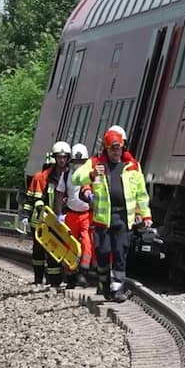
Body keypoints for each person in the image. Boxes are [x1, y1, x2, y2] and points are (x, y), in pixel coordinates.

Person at [73, 127, 151, 302]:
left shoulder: (132, 166)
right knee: (102, 252)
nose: (116, 152)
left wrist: (145, 215)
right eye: (112, 148)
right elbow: (76, 178)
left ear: (123, 147)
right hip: (103, 220)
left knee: (119, 252)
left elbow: (141, 193)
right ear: (106, 149)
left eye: (119, 148)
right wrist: (91, 175)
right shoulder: (96, 164)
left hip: (123, 218)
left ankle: (117, 289)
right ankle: (104, 282)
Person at [20, 149, 66, 285]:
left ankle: (47, 280)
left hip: (50, 220)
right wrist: (25, 216)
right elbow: (34, 200)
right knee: (44, 251)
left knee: (47, 251)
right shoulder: (41, 177)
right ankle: (47, 280)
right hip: (41, 221)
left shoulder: (55, 177)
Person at [58, 143, 94, 289]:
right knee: (69, 244)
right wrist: (59, 213)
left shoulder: (91, 176)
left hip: (86, 215)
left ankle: (83, 273)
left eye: (81, 162)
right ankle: (70, 273)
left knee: (87, 243)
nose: (78, 165)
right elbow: (59, 194)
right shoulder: (66, 175)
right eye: (76, 161)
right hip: (71, 215)